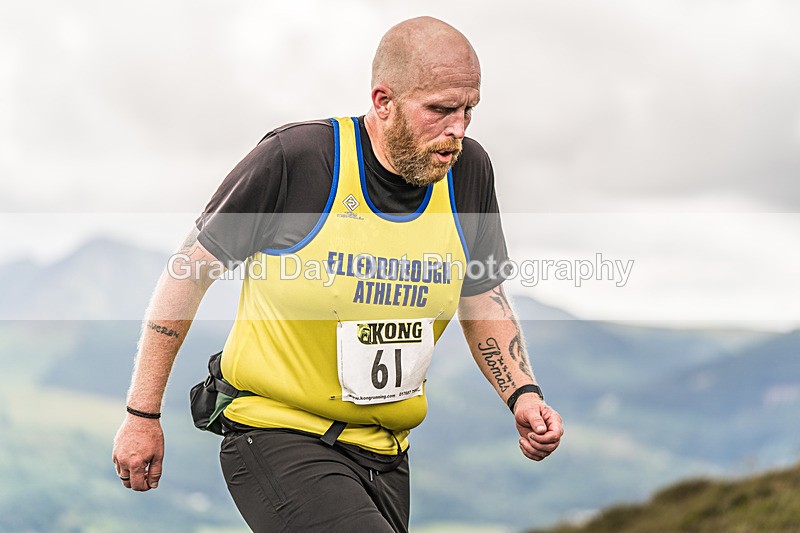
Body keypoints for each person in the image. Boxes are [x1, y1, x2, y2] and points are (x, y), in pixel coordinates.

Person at [113, 16, 563, 532]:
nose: (457, 129)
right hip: (277, 432)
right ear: (383, 101)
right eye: (439, 109)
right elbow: (186, 275)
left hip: (386, 452)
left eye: (468, 110)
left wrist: (523, 394)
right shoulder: (298, 161)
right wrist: (142, 415)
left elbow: (482, 295)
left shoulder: (467, 174)